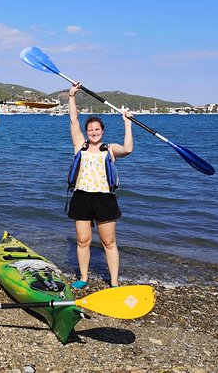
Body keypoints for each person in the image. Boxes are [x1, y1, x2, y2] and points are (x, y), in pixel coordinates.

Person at [67, 82, 133, 289]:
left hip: (105, 199)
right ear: (86, 132)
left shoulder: (110, 149)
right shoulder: (80, 145)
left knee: (109, 243)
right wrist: (72, 96)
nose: (93, 132)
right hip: (81, 197)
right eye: (90, 129)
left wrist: (128, 124)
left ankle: (113, 282)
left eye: (97, 129)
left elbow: (128, 149)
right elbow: (73, 119)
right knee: (82, 241)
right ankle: (84, 278)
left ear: (102, 131)